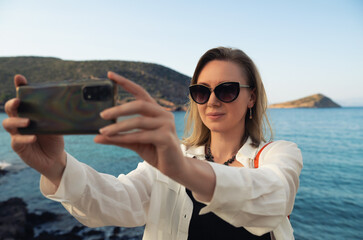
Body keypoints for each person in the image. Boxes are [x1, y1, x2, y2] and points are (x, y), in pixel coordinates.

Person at [2, 47, 303, 240]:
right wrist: (57, 168)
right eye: (201, 91)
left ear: (252, 97)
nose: (211, 100)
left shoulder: (279, 154)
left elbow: (274, 200)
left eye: (227, 90)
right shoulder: (172, 158)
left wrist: (181, 169)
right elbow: (117, 200)